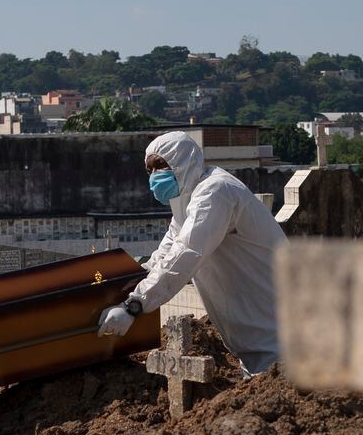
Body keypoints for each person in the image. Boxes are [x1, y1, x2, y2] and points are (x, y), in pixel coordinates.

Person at [96, 131, 286, 374]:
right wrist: (125, 284)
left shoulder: (215, 193)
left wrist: (134, 306)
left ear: (182, 162)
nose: (155, 175)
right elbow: (163, 257)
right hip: (256, 345)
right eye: (150, 169)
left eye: (162, 165)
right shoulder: (186, 205)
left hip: (280, 336)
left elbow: (185, 253)